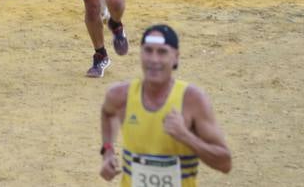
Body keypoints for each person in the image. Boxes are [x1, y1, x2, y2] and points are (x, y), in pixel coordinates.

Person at [99, 24, 232, 181]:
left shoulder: (193, 100)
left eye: (162, 52)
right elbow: (107, 113)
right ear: (140, 54)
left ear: (175, 57)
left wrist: (185, 136)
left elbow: (225, 163)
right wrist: (107, 152)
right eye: (148, 51)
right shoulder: (120, 95)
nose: (154, 59)